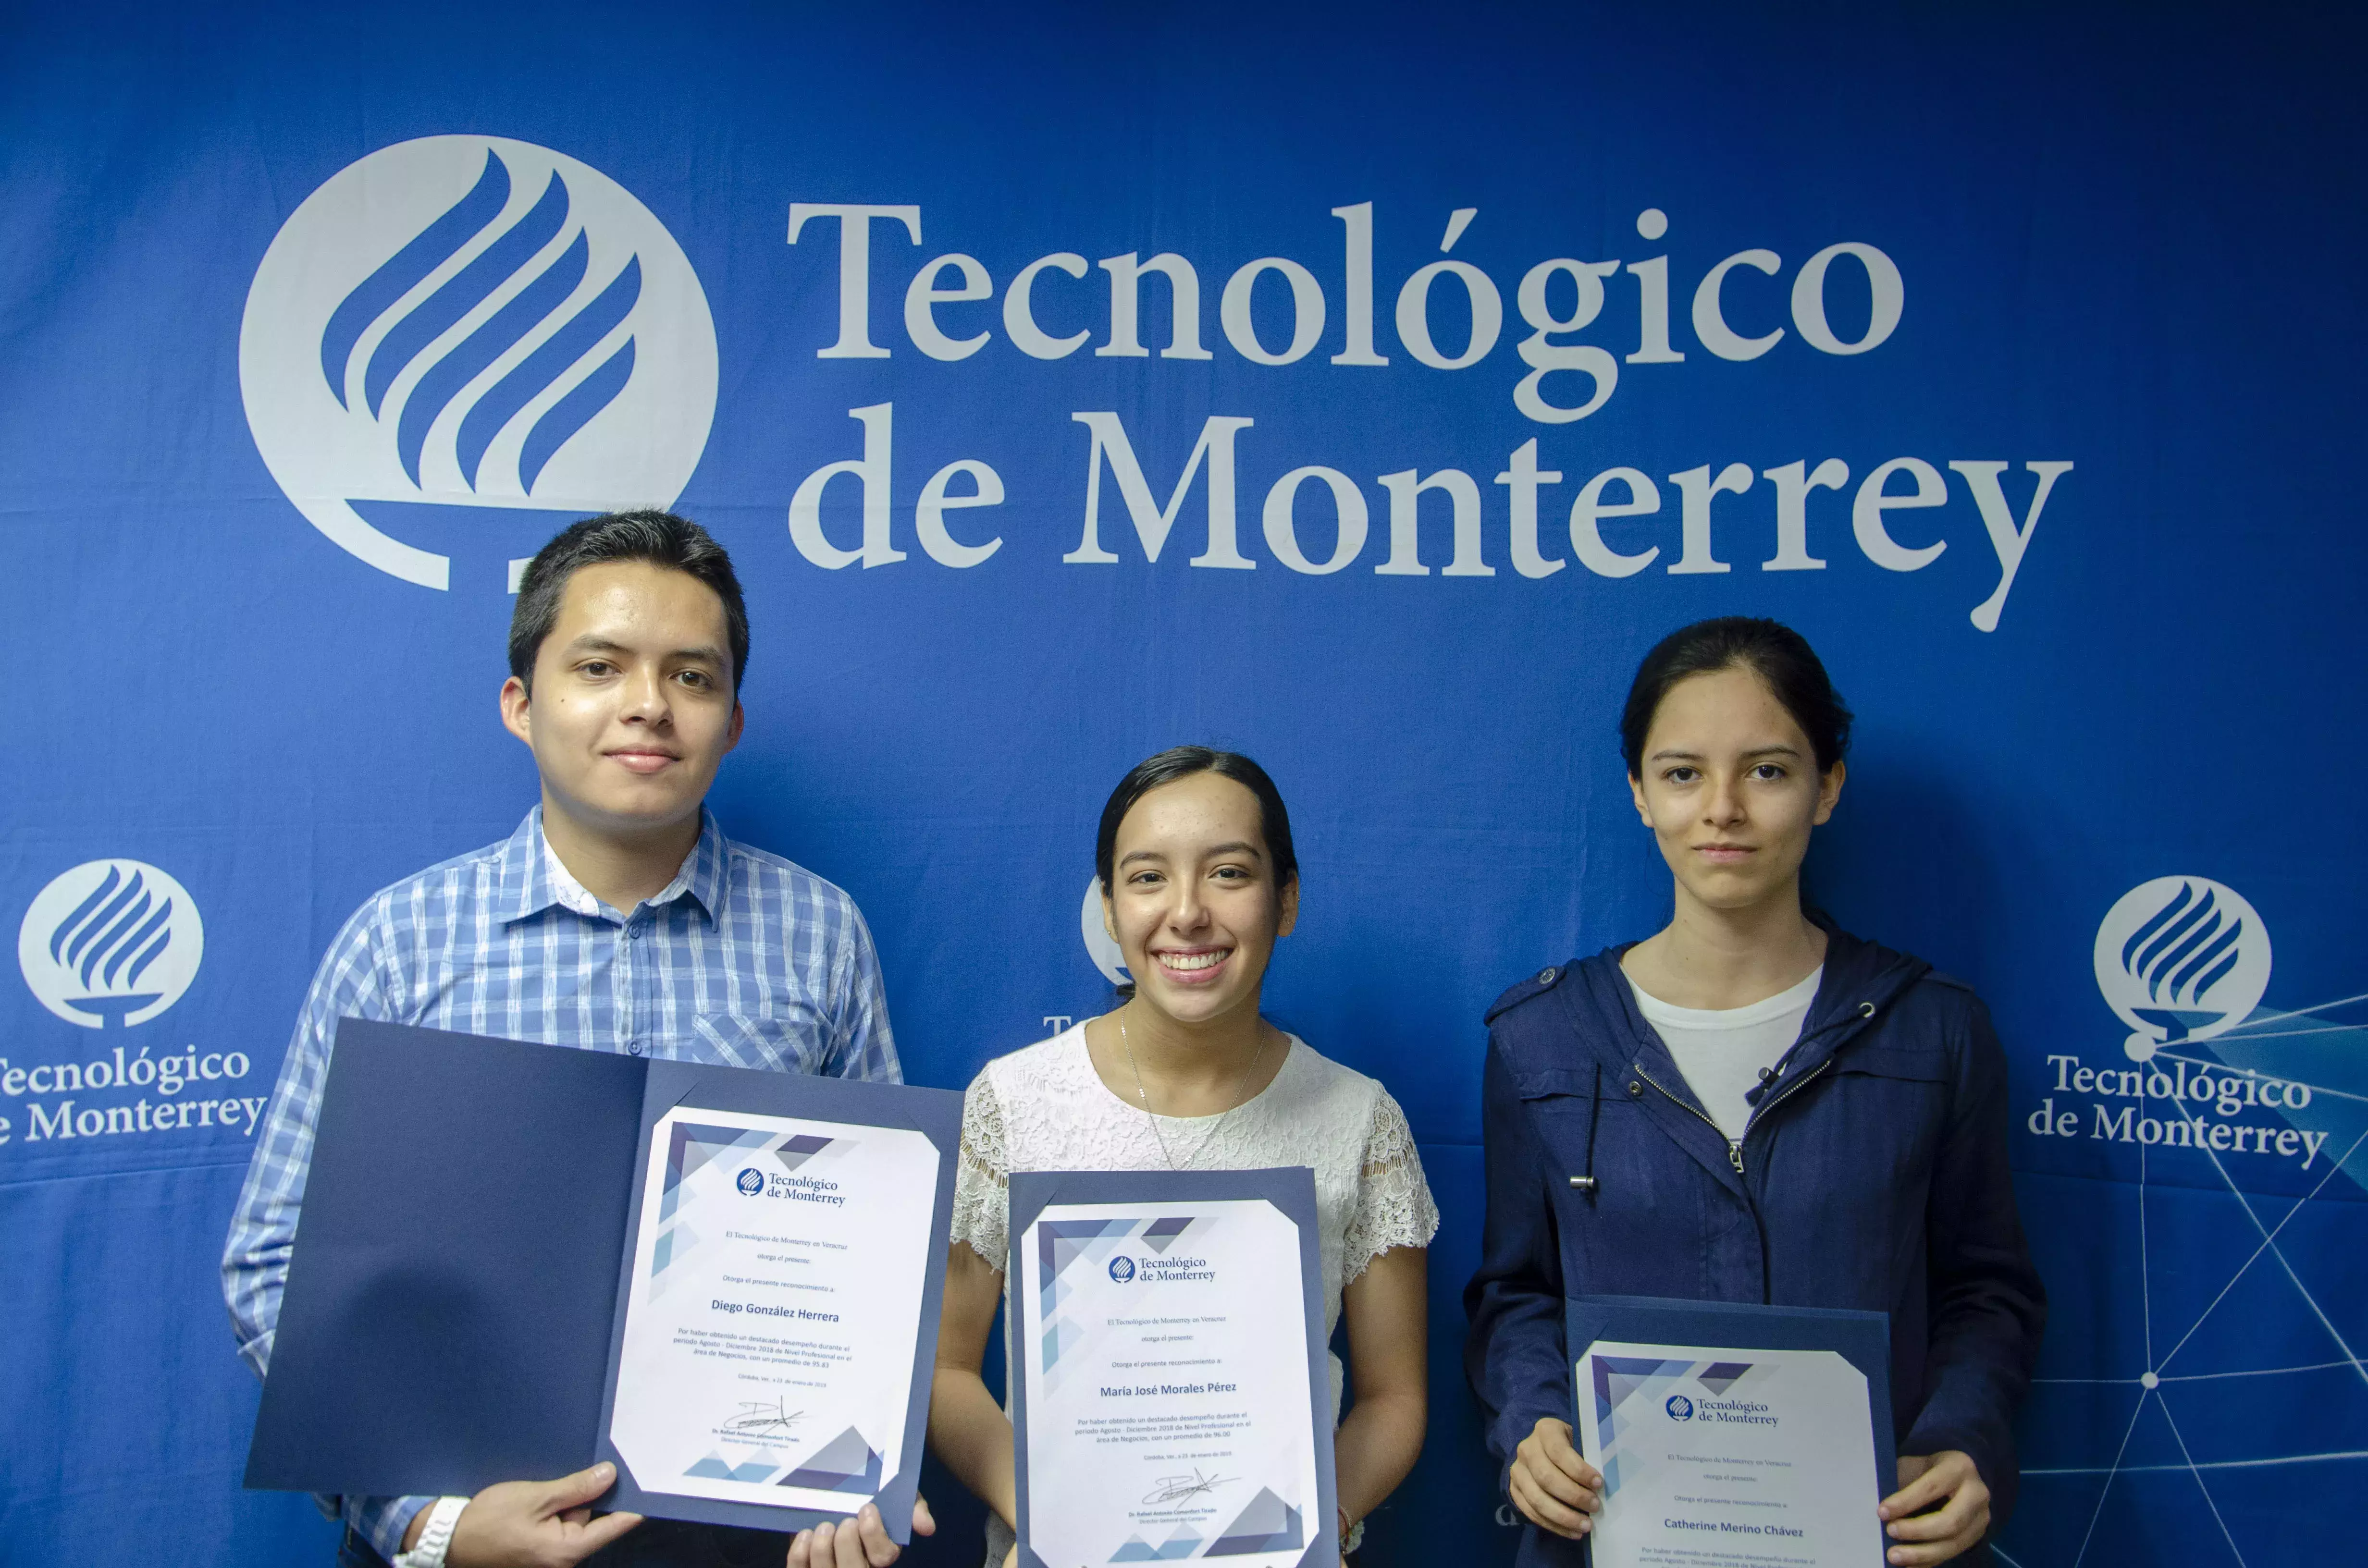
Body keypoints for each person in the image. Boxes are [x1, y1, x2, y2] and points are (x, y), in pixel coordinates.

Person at [222, 512, 929, 1568]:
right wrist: (427, 1523)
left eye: (693, 677)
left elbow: (880, 1255)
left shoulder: (821, 934)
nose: (649, 705)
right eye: (600, 666)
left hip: (743, 1537)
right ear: (522, 703)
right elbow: (274, 1263)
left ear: (733, 720)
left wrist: (856, 1476)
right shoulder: (403, 942)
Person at [1465, 617, 2045, 1568]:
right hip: (1618, 1539)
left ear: (1828, 788)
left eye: (1767, 771)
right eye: (1683, 772)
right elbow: (1515, 1295)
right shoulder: (1541, 1038)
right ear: (1639, 793)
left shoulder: (1934, 1031)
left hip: (1870, 1541)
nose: (1721, 808)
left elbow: (1988, 1291)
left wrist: (1961, 1440)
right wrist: (1530, 1425)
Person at [928, 747, 1437, 1567]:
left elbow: (1395, 1397)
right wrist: (1051, 1513)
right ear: (1108, 906)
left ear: (1287, 900)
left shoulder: (1360, 1121)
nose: (1189, 913)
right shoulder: (1013, 1102)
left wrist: (1316, 1521)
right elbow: (949, 1369)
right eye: (1147, 877)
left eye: (1230, 873)